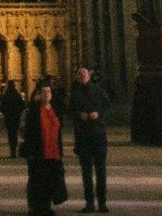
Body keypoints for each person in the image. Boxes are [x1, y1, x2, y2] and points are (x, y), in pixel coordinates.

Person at [23, 81, 67, 216]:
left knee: (49, 180)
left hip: (53, 151)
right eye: (44, 92)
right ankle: (35, 207)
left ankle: (46, 206)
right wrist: (30, 151)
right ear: (39, 95)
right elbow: (28, 132)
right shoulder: (33, 111)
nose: (47, 94)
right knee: (37, 180)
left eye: (49, 92)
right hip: (38, 151)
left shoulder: (55, 110)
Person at [71, 64, 110, 213]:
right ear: (77, 77)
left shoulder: (98, 90)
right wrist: (78, 115)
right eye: (80, 74)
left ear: (89, 75)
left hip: (98, 135)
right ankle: (89, 202)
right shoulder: (75, 93)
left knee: (101, 172)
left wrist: (98, 114)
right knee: (86, 173)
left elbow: (107, 105)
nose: (82, 76)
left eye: (84, 74)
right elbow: (70, 111)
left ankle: (102, 202)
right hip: (83, 137)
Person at [1, 79, 24, 157]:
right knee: (14, 133)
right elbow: (22, 105)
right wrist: (19, 112)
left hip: (8, 117)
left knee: (10, 134)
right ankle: (14, 150)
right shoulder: (17, 94)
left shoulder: (6, 95)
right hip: (16, 116)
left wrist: (5, 112)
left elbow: (2, 106)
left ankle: (12, 151)